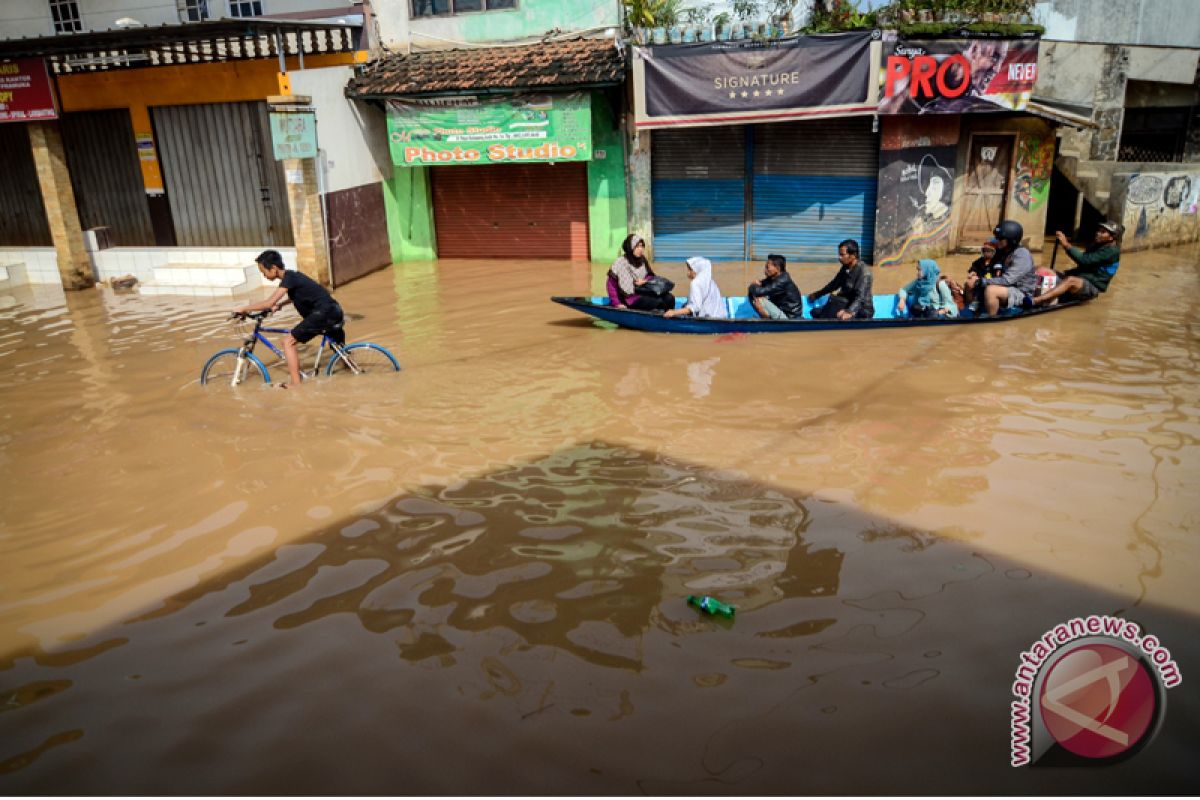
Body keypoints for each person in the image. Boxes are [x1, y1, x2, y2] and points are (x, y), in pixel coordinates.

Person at [234, 250, 344, 389]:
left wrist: (244, 308)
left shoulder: (289, 278)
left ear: (273, 268)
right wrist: (279, 305)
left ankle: (295, 384)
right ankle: (350, 367)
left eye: (264, 272)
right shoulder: (292, 276)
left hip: (324, 314)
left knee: (287, 342)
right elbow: (297, 296)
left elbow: (268, 302)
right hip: (333, 311)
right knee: (341, 353)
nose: (264, 275)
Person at [1031, 221, 1122, 307]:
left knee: (1071, 280)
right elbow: (1084, 265)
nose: (1098, 233)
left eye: (1103, 232)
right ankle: (1032, 291)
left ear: (1111, 237)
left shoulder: (1111, 251)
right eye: (1099, 230)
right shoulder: (1095, 245)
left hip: (1092, 286)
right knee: (1042, 270)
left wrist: (1066, 245)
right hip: (1080, 278)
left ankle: (1037, 300)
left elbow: (1084, 260)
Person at [963, 220, 1036, 316]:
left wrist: (983, 281)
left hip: (1021, 292)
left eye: (1000, 238)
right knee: (969, 283)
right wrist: (974, 272)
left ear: (1011, 240)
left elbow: (1007, 280)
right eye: (997, 237)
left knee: (991, 290)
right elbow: (982, 262)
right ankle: (971, 311)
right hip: (1004, 286)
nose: (997, 240)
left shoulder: (1022, 255)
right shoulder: (1002, 251)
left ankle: (991, 319)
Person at [808, 239, 875, 320]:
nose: (839, 258)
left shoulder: (864, 273)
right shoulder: (845, 267)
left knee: (828, 316)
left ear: (853, 255)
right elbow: (834, 285)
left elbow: (860, 298)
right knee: (815, 312)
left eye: (842, 255)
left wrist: (849, 312)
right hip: (846, 303)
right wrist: (817, 294)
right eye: (839, 254)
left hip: (861, 310)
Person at [608, 233, 675, 312]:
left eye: (642, 246)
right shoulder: (620, 262)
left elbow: (649, 276)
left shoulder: (642, 260)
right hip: (630, 298)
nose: (641, 249)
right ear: (630, 247)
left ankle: (669, 317)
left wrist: (644, 281)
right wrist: (617, 304)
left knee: (670, 298)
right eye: (637, 246)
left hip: (644, 291)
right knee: (658, 302)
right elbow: (611, 285)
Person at [748, 253, 804, 319]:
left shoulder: (782, 280)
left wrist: (753, 285)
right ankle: (766, 317)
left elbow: (758, 291)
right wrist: (755, 285)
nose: (765, 270)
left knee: (759, 300)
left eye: (767, 267)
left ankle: (766, 318)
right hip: (781, 310)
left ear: (777, 268)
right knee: (754, 295)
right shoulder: (773, 278)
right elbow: (760, 286)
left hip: (790, 317)